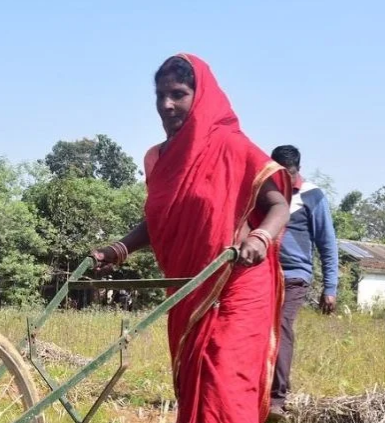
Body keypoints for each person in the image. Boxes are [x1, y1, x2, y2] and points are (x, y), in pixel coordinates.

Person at [92, 53, 292, 423]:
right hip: (190, 286)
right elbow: (158, 222)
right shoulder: (158, 159)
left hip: (238, 285)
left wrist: (261, 238)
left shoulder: (234, 148)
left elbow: (279, 204)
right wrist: (117, 250)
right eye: (160, 95)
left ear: (200, 96)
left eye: (178, 94)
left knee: (224, 385)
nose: (166, 105)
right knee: (194, 385)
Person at [268, 145, 339, 419]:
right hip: (263, 274)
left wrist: (329, 287)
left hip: (295, 275)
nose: (287, 180)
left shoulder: (312, 195)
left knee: (281, 328)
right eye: (280, 174)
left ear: (298, 169)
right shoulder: (264, 191)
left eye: (292, 174)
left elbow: (327, 243)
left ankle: (277, 398)